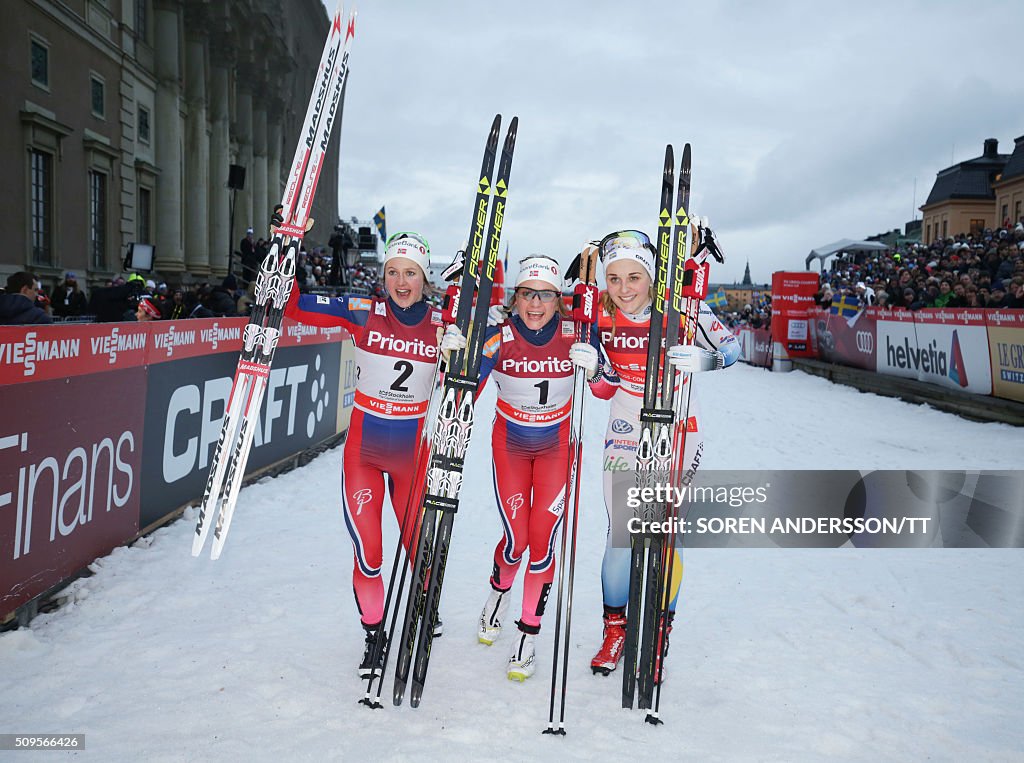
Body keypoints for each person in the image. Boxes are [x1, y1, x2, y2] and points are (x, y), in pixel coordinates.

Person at [576, 226, 739, 684]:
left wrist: (707, 360)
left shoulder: (684, 310)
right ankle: (616, 630)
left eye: (634, 278)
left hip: (679, 428)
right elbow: (605, 387)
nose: (624, 289)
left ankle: (658, 635)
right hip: (626, 427)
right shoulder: (601, 318)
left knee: (667, 534)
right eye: (614, 279)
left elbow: (733, 348)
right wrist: (592, 371)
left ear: (651, 276)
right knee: (622, 534)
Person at [284, 230, 445, 677]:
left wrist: (465, 338)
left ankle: (426, 610)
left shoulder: (442, 324)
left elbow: (497, 340)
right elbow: (296, 305)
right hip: (364, 455)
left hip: (413, 456)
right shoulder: (362, 311)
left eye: (410, 272)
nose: (400, 281)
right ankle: (375, 635)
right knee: (369, 553)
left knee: (421, 547)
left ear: (424, 277)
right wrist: (286, 247)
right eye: (392, 271)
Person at [441, 255, 592, 681]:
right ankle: (498, 595)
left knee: (542, 546)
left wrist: (596, 366)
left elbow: (606, 386)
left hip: (557, 448)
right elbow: (464, 390)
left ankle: (527, 634)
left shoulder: (574, 333)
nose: (536, 304)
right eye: (528, 294)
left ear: (558, 301)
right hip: (510, 446)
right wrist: (453, 358)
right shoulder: (499, 337)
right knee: (516, 541)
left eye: (545, 295)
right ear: (516, 298)